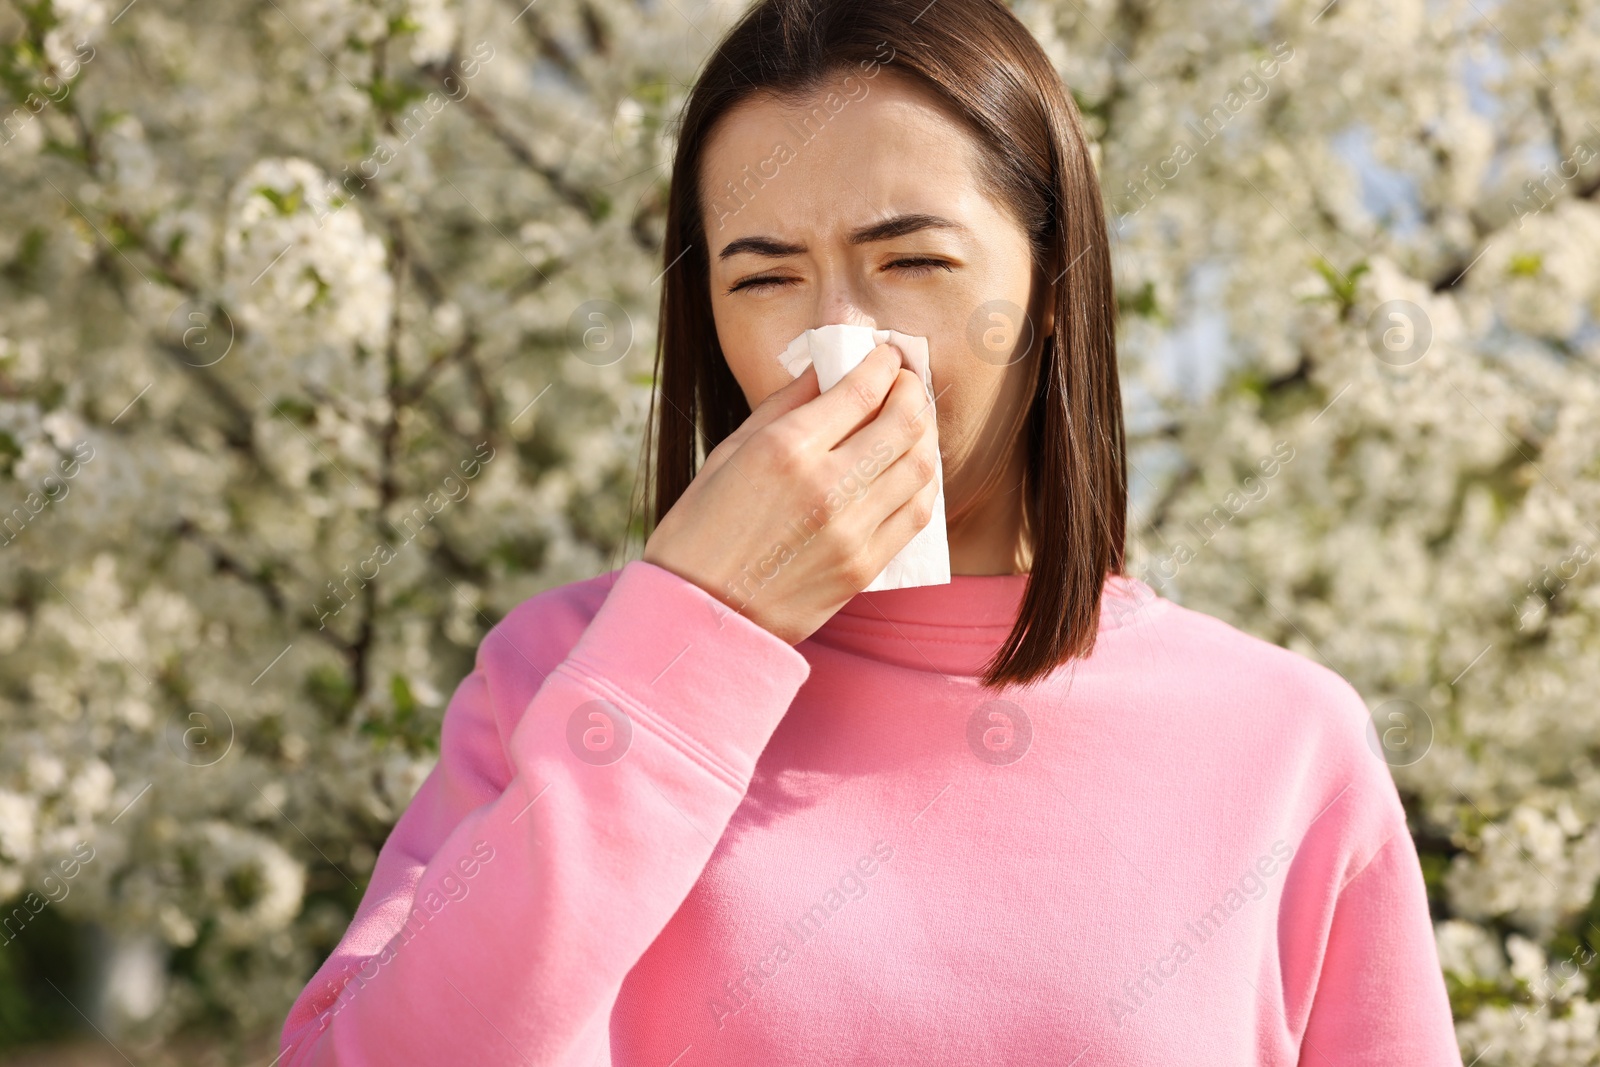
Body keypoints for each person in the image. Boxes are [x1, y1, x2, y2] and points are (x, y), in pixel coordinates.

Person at [279, 0, 1463, 1063]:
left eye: (910, 261)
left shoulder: (1283, 743)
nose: (841, 341)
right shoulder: (560, 675)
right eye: (764, 280)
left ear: (1053, 285)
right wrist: (685, 647)